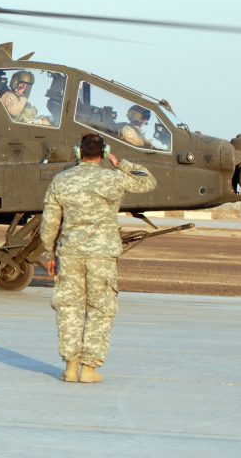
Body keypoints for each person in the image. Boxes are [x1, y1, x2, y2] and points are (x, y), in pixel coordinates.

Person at [40, 133, 156, 383]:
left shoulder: (61, 180)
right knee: (100, 309)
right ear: (103, 154)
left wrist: (49, 253)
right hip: (102, 255)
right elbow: (148, 181)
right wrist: (121, 164)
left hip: (69, 253)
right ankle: (89, 369)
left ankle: (71, 367)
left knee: (69, 308)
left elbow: (49, 222)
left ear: (78, 153)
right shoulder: (113, 179)